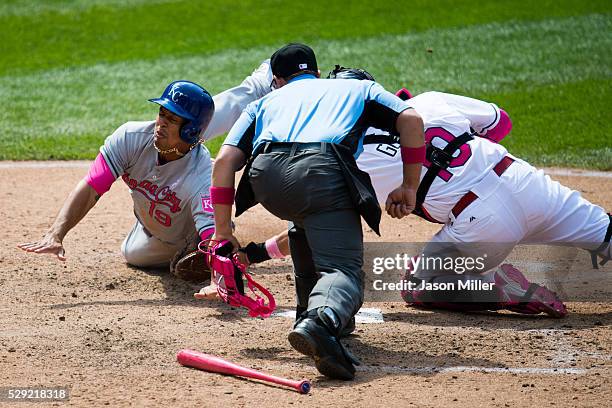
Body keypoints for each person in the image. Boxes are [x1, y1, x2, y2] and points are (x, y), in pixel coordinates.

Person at [220, 65, 611, 318]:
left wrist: (255, 253)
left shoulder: (349, 157)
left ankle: (500, 289)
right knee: (606, 232)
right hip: (525, 182)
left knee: (419, 287)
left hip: (480, 227)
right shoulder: (429, 102)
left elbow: (314, 225)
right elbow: (501, 122)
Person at [209, 43, 425, 380]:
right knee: (344, 270)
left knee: (306, 219)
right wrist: (409, 185)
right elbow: (410, 119)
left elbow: (223, 163)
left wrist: (223, 232)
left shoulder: (262, 103)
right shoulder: (356, 87)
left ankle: (306, 310)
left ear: (277, 80)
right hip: (319, 171)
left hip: (266, 178)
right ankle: (321, 319)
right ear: (317, 73)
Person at [17, 61, 275, 280]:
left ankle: (269, 76)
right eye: (161, 113)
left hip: (191, 187)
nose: (160, 123)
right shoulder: (131, 137)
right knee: (133, 254)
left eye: (170, 119)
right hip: (159, 209)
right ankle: (184, 243)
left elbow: (215, 234)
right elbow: (93, 184)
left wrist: (218, 264)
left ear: (190, 131)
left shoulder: (201, 176)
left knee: (210, 230)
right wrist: (55, 234)